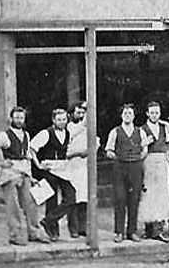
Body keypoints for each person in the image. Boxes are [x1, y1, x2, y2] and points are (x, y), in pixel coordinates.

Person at [0, 106, 51, 246]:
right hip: (10, 173)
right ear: (11, 118)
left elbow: (27, 156)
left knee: (30, 203)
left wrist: (31, 176)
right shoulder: (4, 136)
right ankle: (16, 234)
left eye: (22, 118)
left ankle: (34, 232)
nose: (19, 120)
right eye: (17, 117)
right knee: (13, 205)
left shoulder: (26, 135)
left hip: (24, 171)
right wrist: (0, 162)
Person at [105, 103, 149, 243]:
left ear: (134, 115)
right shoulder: (115, 131)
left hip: (136, 168)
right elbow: (109, 151)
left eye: (130, 113)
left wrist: (136, 159)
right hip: (120, 168)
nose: (128, 115)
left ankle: (132, 231)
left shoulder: (140, 131)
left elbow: (145, 150)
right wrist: (120, 157)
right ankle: (119, 232)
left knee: (134, 199)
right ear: (121, 116)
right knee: (120, 199)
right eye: (125, 113)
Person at [30, 108, 76, 242]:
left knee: (71, 196)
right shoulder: (46, 133)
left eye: (64, 120)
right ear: (53, 120)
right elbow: (32, 148)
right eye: (59, 120)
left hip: (63, 169)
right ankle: (52, 232)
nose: (62, 122)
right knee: (52, 200)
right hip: (49, 168)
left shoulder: (68, 133)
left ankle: (48, 220)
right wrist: (38, 165)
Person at [139, 101, 169, 242]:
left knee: (162, 195)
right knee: (149, 194)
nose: (154, 115)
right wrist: (144, 144)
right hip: (148, 161)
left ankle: (159, 230)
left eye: (157, 112)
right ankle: (148, 229)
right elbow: (139, 148)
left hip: (162, 163)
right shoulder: (142, 129)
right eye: (152, 112)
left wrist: (167, 154)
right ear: (147, 114)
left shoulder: (164, 128)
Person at [66, 101, 94, 238]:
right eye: (78, 112)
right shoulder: (69, 127)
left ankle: (83, 227)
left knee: (84, 198)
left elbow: (95, 142)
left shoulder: (87, 128)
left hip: (84, 166)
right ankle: (73, 228)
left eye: (83, 113)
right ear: (71, 114)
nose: (81, 115)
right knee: (73, 198)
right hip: (72, 166)